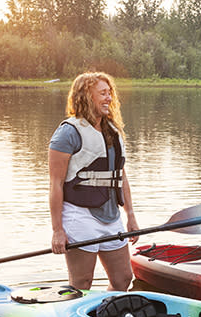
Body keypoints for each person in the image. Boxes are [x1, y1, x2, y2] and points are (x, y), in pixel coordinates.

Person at [48, 72, 139, 291]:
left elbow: (120, 177)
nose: (109, 98)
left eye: (110, 93)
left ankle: (106, 314)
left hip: (111, 218)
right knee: (81, 283)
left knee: (123, 278)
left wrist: (131, 216)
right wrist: (57, 230)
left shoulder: (113, 131)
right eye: (102, 93)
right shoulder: (67, 133)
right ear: (86, 95)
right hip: (80, 216)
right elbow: (55, 185)